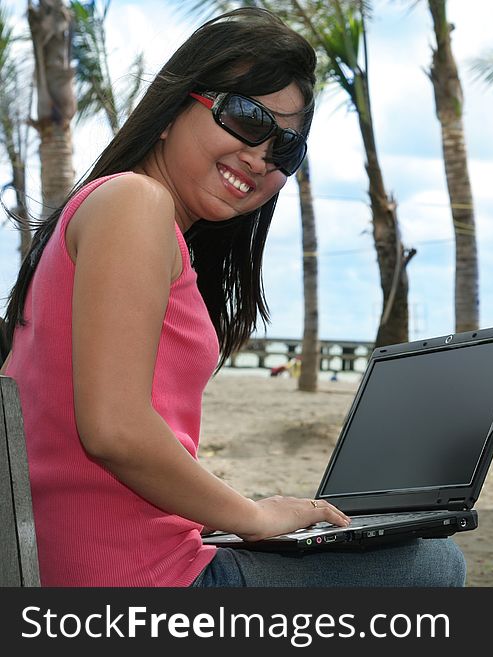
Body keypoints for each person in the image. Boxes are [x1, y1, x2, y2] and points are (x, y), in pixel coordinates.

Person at [0, 8, 464, 587]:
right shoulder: (134, 203)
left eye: (284, 150)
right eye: (247, 117)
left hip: (109, 561)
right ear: (173, 106)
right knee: (432, 566)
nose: (260, 157)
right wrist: (251, 516)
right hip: (134, 582)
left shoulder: (119, 211)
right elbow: (114, 430)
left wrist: (234, 516)